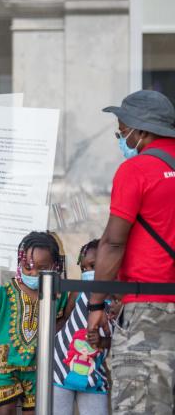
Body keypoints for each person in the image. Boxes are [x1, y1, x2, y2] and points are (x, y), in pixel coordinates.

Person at [86, 89, 175, 414]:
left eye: (122, 131)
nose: (121, 137)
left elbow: (113, 242)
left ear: (142, 130)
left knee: (141, 405)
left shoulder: (136, 170)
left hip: (148, 310)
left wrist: (96, 303)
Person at [0, 231, 70, 414]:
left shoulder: (57, 295)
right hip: (5, 366)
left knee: (36, 410)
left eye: (41, 267)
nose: (33, 273)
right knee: (4, 410)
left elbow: (62, 320)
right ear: (20, 264)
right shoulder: (7, 291)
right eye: (28, 267)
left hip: (39, 367)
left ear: (54, 266)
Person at [52, 240, 110, 415]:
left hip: (93, 376)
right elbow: (64, 321)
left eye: (93, 266)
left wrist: (102, 341)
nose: (88, 273)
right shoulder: (78, 292)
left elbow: (118, 340)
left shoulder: (117, 301)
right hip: (60, 370)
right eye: (84, 269)